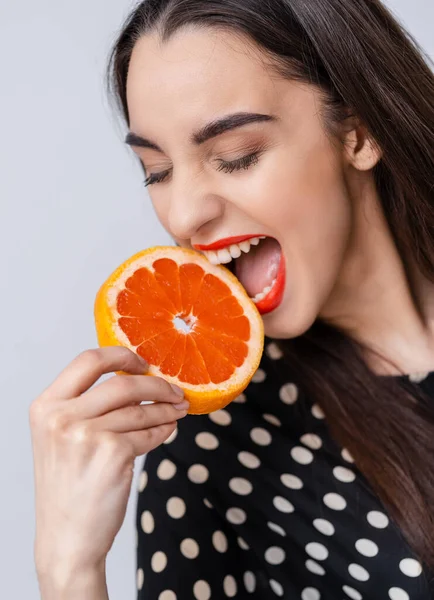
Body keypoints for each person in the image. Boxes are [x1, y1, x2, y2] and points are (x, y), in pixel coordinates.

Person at [30, 0, 434, 598]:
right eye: (157, 171)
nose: (186, 213)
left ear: (358, 131)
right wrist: (68, 567)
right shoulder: (209, 454)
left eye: (235, 156)